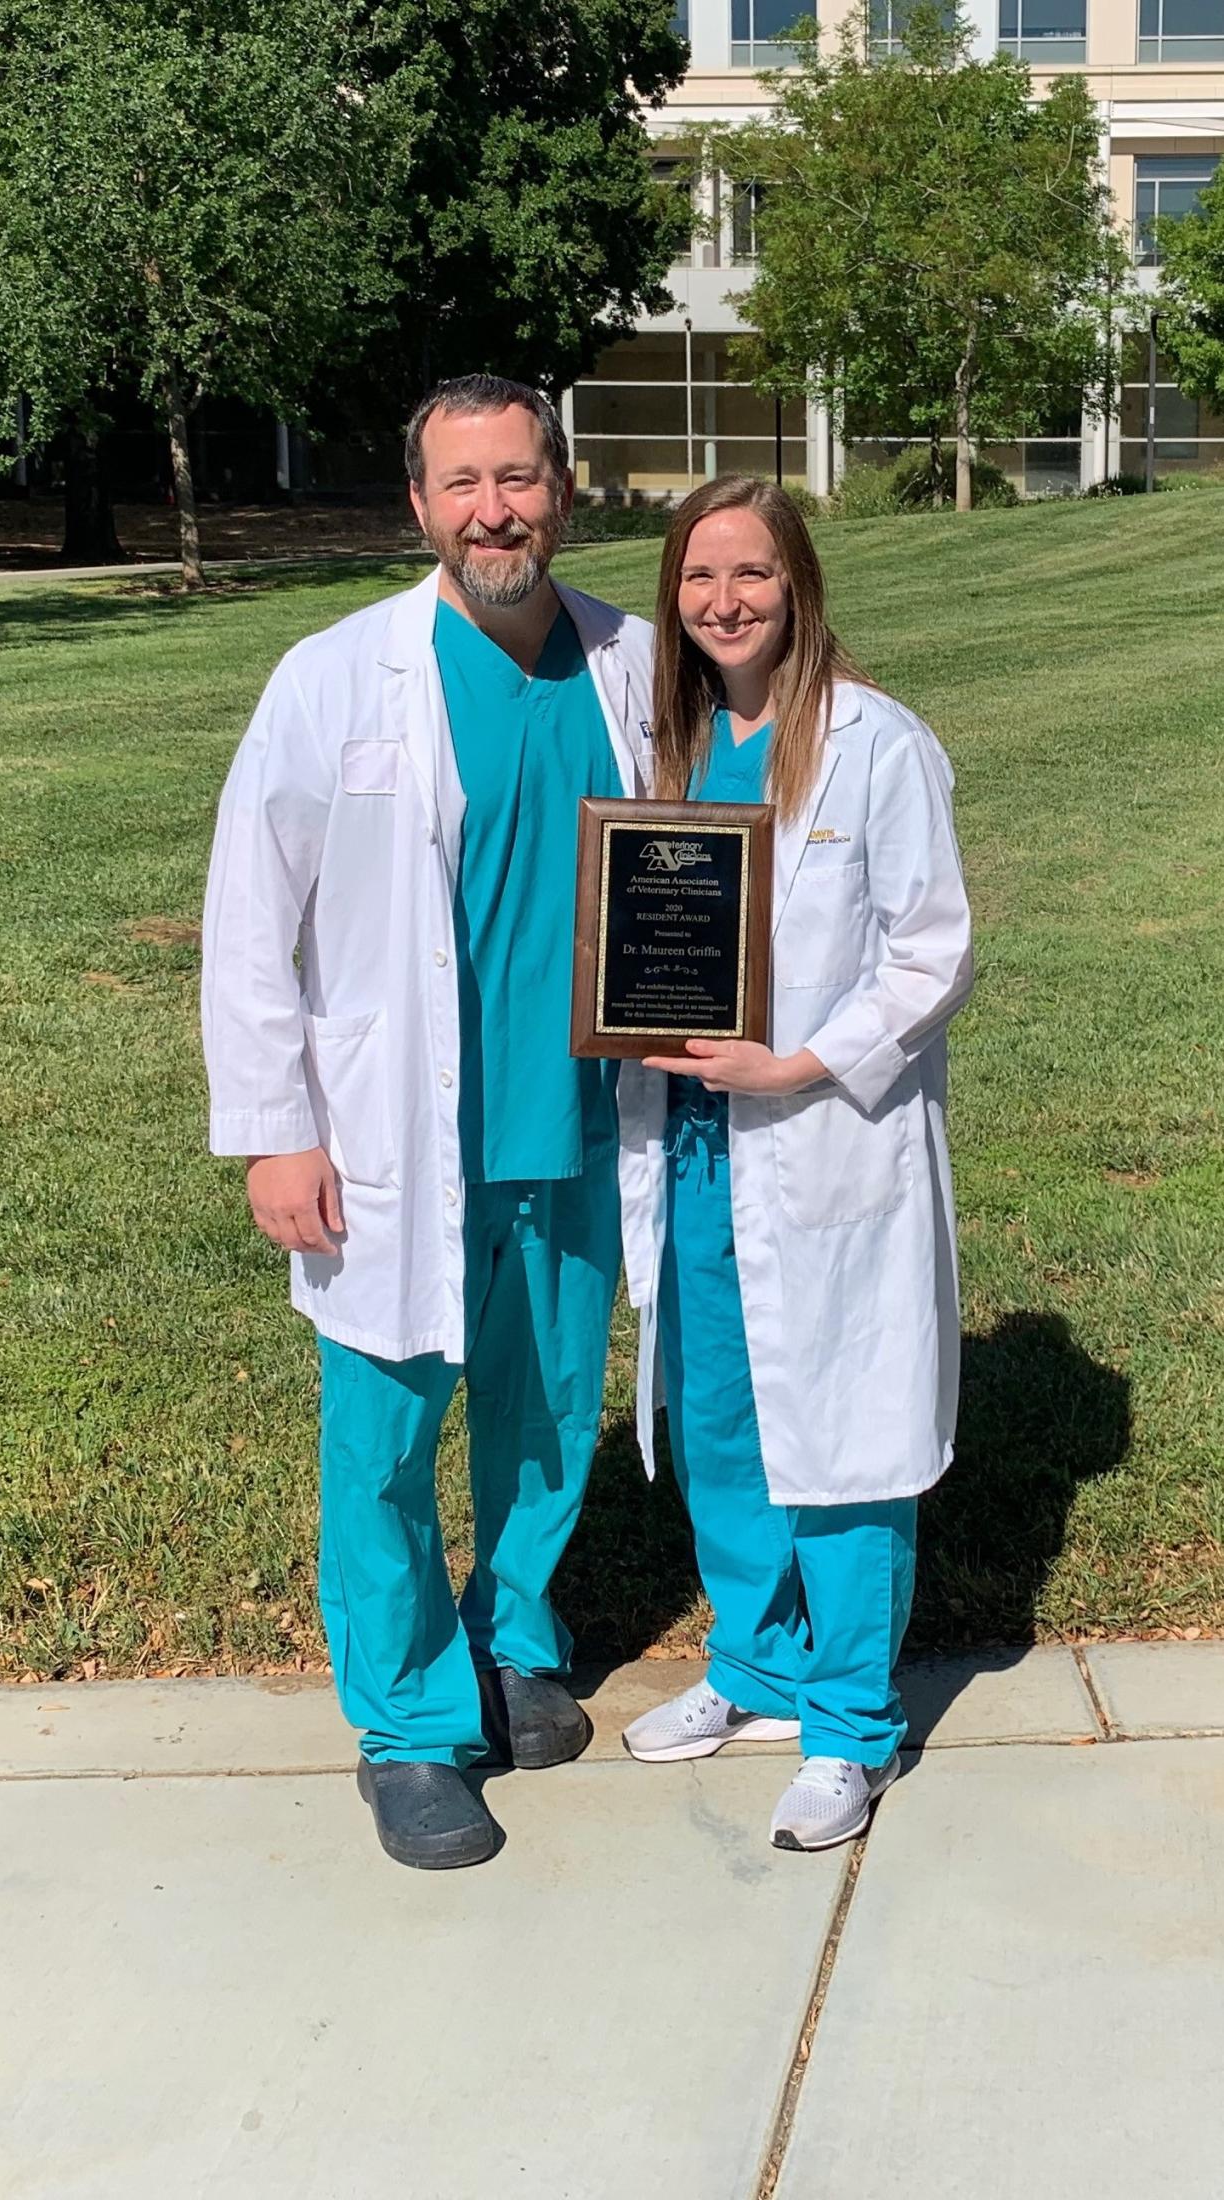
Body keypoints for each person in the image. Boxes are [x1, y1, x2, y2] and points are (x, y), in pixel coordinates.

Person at [201, 376, 653, 1870]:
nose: (492, 511)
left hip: (579, 1124)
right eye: (460, 485)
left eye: (516, 478)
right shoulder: (335, 677)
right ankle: (405, 1728)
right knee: (385, 1444)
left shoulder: (631, 664)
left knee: (540, 1419)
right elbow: (247, 914)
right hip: (392, 1144)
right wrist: (274, 1127)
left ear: (564, 487)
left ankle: (512, 1638)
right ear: (418, 505)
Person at [618, 476, 973, 1850]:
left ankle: (847, 1723)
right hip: (700, 1150)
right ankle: (755, 1669)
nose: (723, 601)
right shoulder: (673, 745)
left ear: (798, 585)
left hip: (823, 1142)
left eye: (751, 574)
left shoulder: (877, 744)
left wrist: (801, 1063)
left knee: (841, 1430)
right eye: (699, 578)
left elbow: (929, 949)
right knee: (722, 1422)